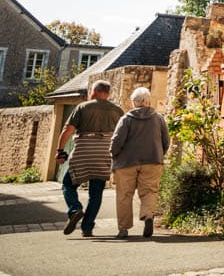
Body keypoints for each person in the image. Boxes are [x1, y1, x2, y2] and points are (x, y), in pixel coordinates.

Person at [56, 80, 124, 237]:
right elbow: (122, 135)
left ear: (93, 91)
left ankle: (74, 209)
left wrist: (60, 151)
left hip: (83, 151)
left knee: (68, 184)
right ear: (108, 93)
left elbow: (68, 130)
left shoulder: (83, 107)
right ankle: (87, 227)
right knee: (96, 192)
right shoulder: (118, 111)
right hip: (104, 154)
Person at [110, 87, 170, 239]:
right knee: (149, 191)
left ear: (134, 102)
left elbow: (117, 141)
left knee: (124, 195)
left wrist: (114, 155)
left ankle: (123, 229)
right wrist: (159, 154)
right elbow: (166, 141)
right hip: (152, 161)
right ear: (148, 101)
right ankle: (148, 216)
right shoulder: (159, 118)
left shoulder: (126, 119)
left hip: (126, 162)